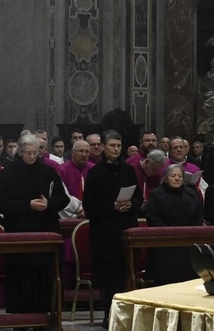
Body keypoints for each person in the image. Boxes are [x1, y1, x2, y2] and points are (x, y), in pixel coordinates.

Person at [0, 134, 69, 314]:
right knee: (21, 282)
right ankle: (20, 322)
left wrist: (48, 203)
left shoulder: (48, 171)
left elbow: (63, 198)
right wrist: (28, 205)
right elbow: (1, 204)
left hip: (45, 234)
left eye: (36, 152)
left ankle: (44, 319)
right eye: (28, 153)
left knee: (44, 280)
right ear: (19, 151)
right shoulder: (8, 173)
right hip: (20, 236)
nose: (32, 156)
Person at [83, 130, 142, 328]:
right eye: (112, 145)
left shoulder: (128, 170)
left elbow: (139, 197)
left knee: (125, 274)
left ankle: (126, 314)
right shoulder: (95, 172)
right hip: (104, 232)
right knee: (106, 277)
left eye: (118, 145)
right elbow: (89, 205)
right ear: (104, 147)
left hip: (125, 229)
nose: (116, 149)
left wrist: (130, 205)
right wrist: (113, 206)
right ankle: (108, 313)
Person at [145, 163, 204, 285]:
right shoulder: (156, 194)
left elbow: (199, 216)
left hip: (187, 246)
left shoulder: (191, 194)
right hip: (165, 247)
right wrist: (169, 233)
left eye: (180, 176)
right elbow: (152, 217)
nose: (177, 178)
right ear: (166, 178)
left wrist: (191, 232)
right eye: (173, 176)